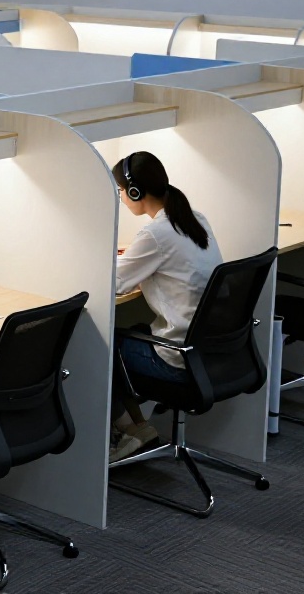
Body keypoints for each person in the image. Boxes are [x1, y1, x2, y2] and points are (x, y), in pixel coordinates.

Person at [109, 151, 221, 463]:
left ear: (135, 192)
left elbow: (115, 284)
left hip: (178, 359)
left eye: (121, 192)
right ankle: (139, 428)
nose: (121, 198)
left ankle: (120, 437)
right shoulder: (195, 218)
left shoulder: (155, 234)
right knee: (133, 333)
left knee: (105, 345)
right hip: (206, 350)